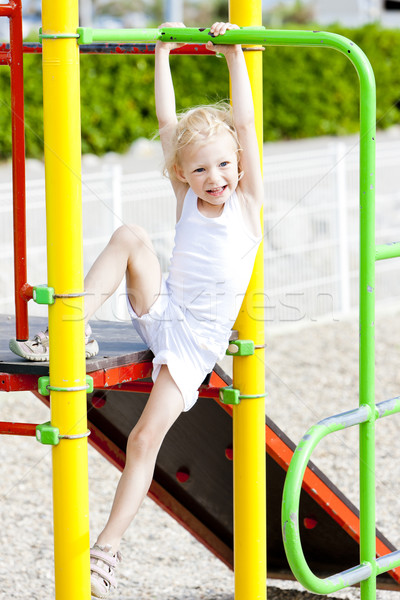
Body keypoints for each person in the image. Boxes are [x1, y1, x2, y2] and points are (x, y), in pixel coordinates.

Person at [11, 21, 263, 598]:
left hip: (195, 344)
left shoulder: (247, 205)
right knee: (129, 234)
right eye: (199, 169)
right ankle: (65, 333)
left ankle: (106, 551)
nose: (213, 177)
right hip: (163, 310)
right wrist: (163, 55)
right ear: (182, 174)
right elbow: (168, 127)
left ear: (241, 166)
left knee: (144, 441)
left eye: (223, 166)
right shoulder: (187, 198)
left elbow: (245, 125)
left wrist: (231, 55)